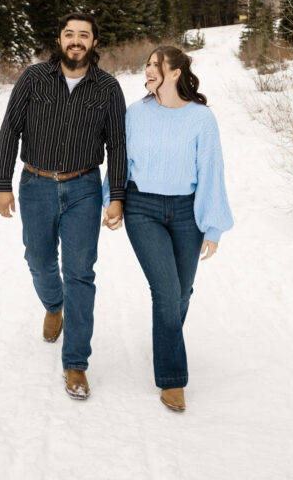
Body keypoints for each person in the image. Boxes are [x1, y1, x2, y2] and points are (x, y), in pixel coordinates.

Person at [0, 13, 126, 401]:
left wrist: (115, 195)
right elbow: (10, 129)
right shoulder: (34, 79)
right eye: (69, 33)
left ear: (94, 43)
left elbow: (118, 145)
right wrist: (3, 184)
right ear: (59, 39)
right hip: (35, 183)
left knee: (81, 274)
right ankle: (54, 305)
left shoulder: (108, 88)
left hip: (84, 186)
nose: (75, 40)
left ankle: (76, 364)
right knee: (37, 259)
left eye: (83, 35)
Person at [104, 45, 233, 413]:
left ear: (176, 72)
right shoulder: (136, 113)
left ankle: (165, 337)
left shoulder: (201, 118)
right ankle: (172, 379)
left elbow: (212, 171)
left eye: (155, 65)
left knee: (182, 291)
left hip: (185, 211)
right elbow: (119, 159)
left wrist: (213, 225)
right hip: (141, 207)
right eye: (147, 65)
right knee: (165, 290)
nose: (148, 71)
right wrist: (111, 201)